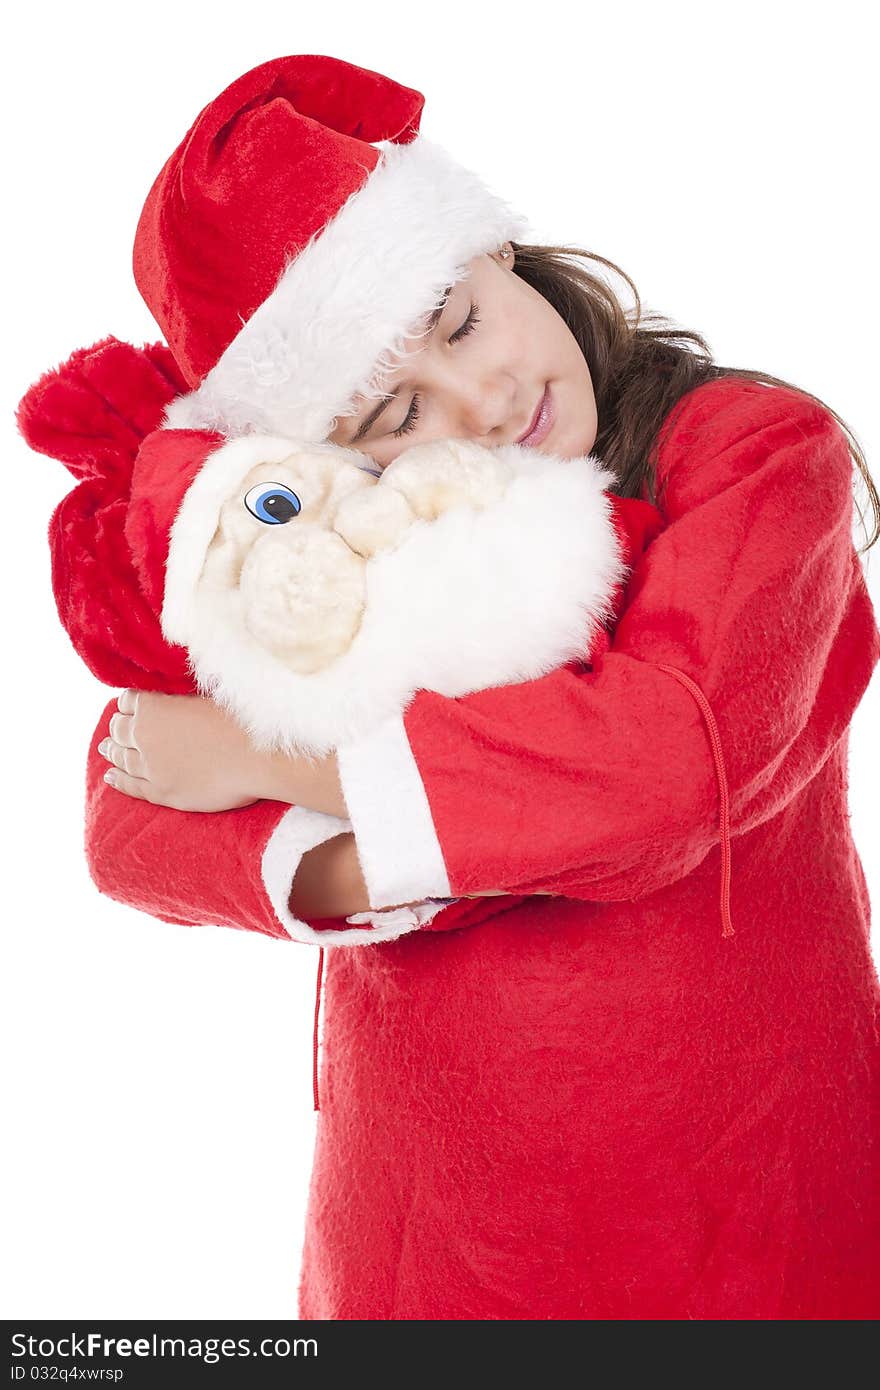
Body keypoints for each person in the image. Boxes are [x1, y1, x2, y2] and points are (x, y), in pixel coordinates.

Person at [86, 54, 880, 1319]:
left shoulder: (751, 458)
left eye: (459, 323)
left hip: (734, 1204)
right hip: (419, 1235)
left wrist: (291, 775)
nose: (483, 399)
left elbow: (665, 763)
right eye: (395, 412)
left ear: (498, 251)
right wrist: (394, 856)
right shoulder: (323, 549)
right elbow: (127, 803)